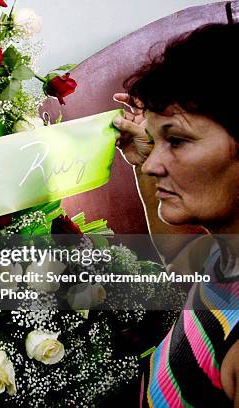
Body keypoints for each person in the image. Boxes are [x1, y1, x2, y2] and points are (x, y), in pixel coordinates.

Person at [113, 22, 239, 406]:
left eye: (178, 140)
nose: (153, 165)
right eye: (155, 140)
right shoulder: (226, 253)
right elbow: (177, 259)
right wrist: (143, 159)